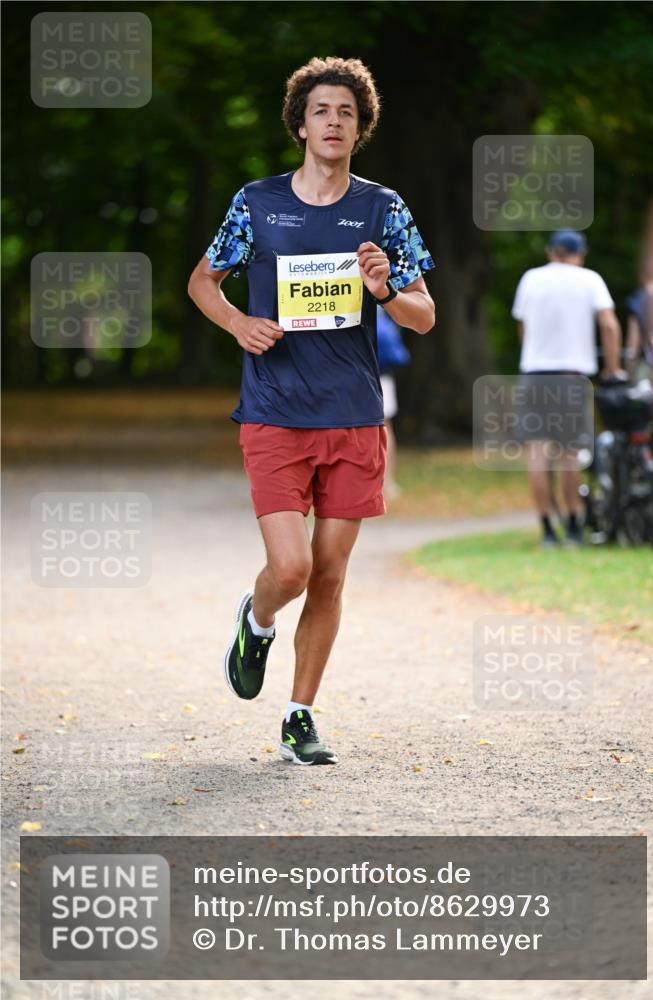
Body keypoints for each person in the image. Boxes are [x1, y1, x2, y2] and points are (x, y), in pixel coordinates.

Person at [188, 56, 435, 765]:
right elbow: (203, 281)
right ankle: (257, 619)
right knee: (291, 570)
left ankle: (299, 715)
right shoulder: (256, 203)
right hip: (273, 410)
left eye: (346, 113)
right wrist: (238, 324)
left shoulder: (383, 209)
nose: (333, 122)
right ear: (300, 125)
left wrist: (386, 289)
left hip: (353, 414)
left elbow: (423, 317)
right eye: (321, 110)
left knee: (329, 574)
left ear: (360, 130)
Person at [511, 229, 624, 548]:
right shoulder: (589, 279)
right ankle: (574, 526)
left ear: (551, 252)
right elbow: (610, 324)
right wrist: (612, 368)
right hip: (571, 377)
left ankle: (547, 529)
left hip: (534, 375)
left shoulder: (531, 278)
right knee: (569, 454)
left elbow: (523, 327)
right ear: (579, 254)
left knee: (537, 452)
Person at [376, 305, 410, 500]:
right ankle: (387, 482)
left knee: (384, 427)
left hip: (378, 372)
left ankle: (387, 481)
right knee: (385, 427)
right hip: (381, 372)